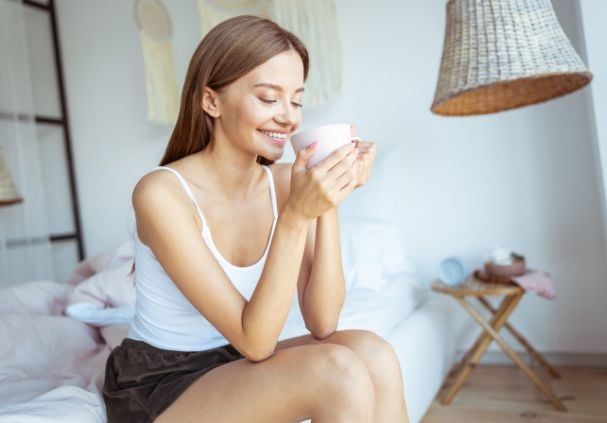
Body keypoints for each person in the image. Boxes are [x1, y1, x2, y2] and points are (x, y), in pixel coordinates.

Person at [102, 14, 408, 423]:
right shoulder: (161, 194)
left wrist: (330, 196)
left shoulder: (284, 183)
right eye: (269, 98)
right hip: (161, 381)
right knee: (337, 374)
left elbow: (323, 322)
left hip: (231, 361)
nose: (289, 117)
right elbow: (258, 342)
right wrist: (297, 216)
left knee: (374, 353)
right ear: (211, 101)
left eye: (296, 99)